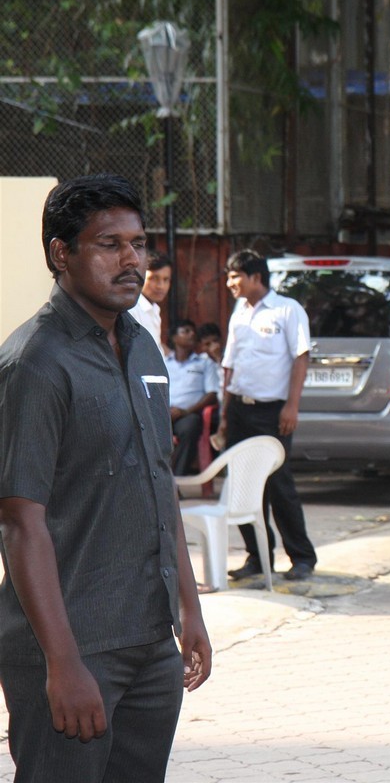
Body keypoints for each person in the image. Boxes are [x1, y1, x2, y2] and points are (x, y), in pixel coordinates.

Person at [0, 174, 211, 781]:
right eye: (109, 244)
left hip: (150, 642)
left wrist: (189, 612)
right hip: (72, 649)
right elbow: (20, 523)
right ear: (60, 254)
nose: (132, 261)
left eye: (138, 244)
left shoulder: (144, 347)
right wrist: (61, 663)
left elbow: (159, 482)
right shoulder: (35, 363)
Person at [215, 249, 318, 582]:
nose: (230, 283)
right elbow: (230, 365)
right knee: (243, 485)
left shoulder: (288, 310)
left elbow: (301, 358)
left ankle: (301, 557)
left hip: (274, 411)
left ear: (255, 277)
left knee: (279, 484)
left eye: (235, 276)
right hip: (240, 410)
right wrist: (225, 414)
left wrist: (292, 405)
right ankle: (258, 556)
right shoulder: (239, 312)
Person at [164, 319, 221, 475]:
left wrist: (185, 412)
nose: (192, 334)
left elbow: (211, 395)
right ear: (174, 338)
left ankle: (176, 480)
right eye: (186, 331)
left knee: (191, 427)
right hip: (164, 414)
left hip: (187, 415)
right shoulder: (163, 363)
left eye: (192, 331)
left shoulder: (204, 363)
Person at [129, 251, 172, 355]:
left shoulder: (155, 310)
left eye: (166, 280)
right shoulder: (131, 310)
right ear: (139, 277)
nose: (160, 286)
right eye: (154, 278)